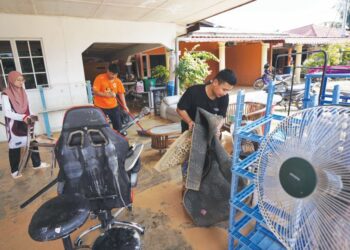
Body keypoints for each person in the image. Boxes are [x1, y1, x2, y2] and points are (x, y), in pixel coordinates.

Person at [1, 71, 49, 179]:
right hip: (14, 124)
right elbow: (7, 112)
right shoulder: (5, 94)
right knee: (15, 147)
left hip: (27, 122)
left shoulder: (23, 92)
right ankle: (14, 171)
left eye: (22, 80)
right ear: (12, 80)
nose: (21, 82)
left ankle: (37, 164)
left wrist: (32, 115)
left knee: (32, 141)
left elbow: (28, 107)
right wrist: (22, 117)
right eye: (18, 80)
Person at [177, 69, 237, 133]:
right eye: (224, 89)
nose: (225, 93)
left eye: (228, 90)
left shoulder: (224, 97)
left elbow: (222, 117)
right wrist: (189, 121)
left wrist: (217, 128)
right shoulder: (193, 91)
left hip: (208, 132)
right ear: (215, 82)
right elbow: (180, 109)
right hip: (189, 129)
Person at [93, 63, 129, 132]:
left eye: (116, 74)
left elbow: (121, 93)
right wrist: (107, 95)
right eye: (112, 74)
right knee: (102, 126)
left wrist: (125, 106)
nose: (114, 76)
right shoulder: (99, 78)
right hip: (100, 107)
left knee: (118, 126)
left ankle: (119, 139)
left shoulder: (117, 81)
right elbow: (95, 92)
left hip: (113, 107)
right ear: (108, 71)